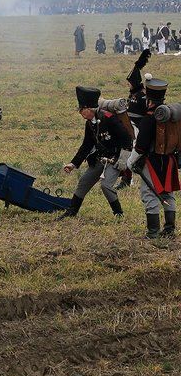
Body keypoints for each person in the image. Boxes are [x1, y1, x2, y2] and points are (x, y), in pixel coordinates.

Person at [60, 87, 132, 219]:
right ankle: (72, 212)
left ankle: (119, 214)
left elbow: (127, 139)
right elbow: (86, 145)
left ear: (88, 109)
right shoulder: (89, 123)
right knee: (84, 182)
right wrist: (73, 164)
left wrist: (122, 161)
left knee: (106, 186)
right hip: (100, 158)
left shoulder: (109, 119)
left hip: (115, 159)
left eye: (81, 109)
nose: (80, 112)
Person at [127, 78, 179, 238]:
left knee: (149, 193)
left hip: (152, 161)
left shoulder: (149, 118)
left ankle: (153, 232)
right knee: (167, 192)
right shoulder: (172, 116)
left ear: (148, 100)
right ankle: (170, 229)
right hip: (170, 159)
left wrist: (130, 161)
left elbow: (141, 146)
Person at [127, 49, 151, 130]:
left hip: (138, 126)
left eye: (129, 83)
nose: (128, 84)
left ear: (134, 83)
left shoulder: (142, 95)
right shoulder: (133, 93)